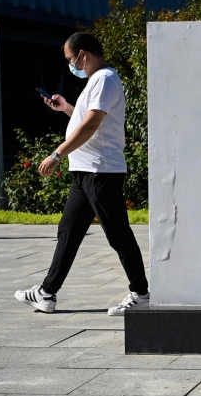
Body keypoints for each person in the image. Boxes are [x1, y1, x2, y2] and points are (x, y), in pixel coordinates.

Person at [14, 32, 149, 316]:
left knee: (118, 234)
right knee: (69, 231)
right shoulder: (96, 82)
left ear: (82, 55)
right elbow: (89, 122)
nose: (70, 65)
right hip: (85, 172)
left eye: (69, 59)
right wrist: (66, 109)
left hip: (100, 171)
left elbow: (90, 127)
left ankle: (140, 293)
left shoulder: (104, 79)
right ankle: (47, 293)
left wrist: (56, 154)